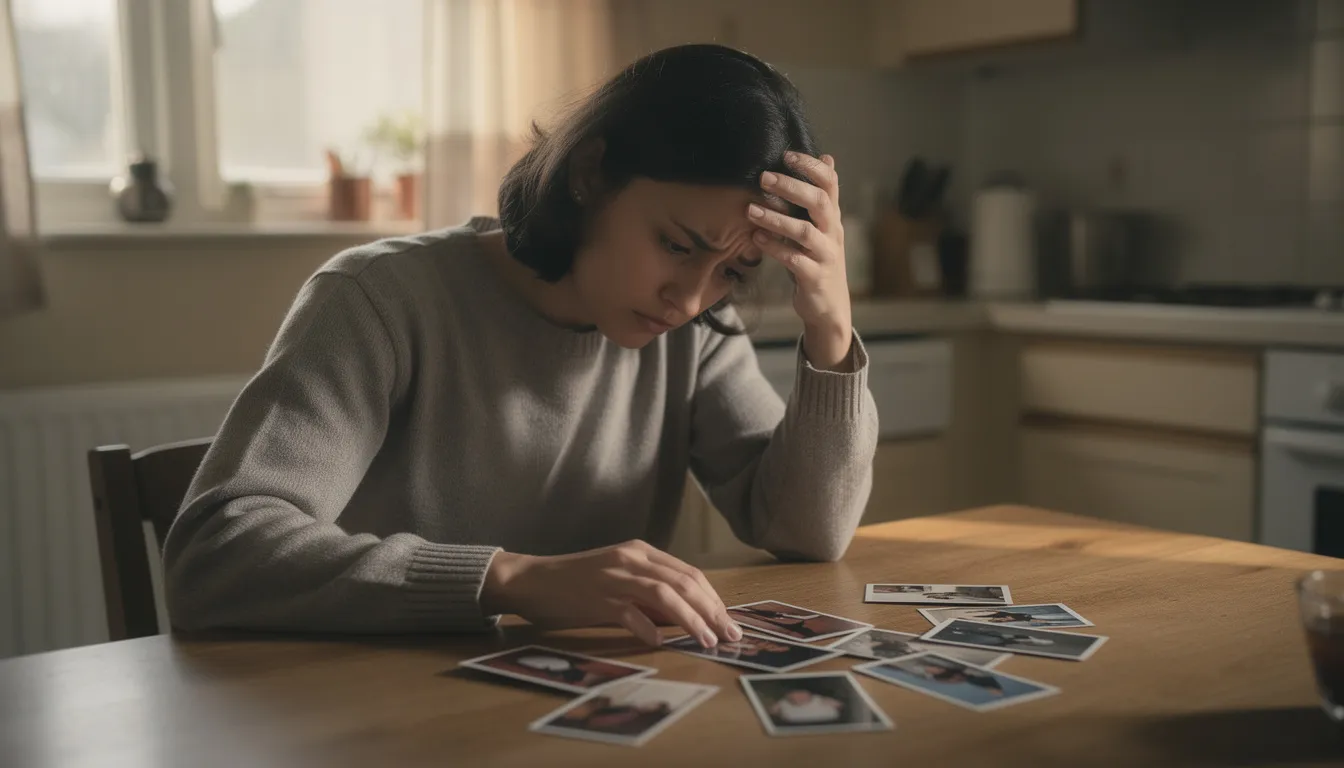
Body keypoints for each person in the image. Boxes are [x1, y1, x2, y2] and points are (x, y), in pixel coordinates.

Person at [160, 44, 878, 650]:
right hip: (371, 713)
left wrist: (831, 332)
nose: (689, 298)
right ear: (589, 174)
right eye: (675, 245)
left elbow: (806, 532)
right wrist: (510, 579)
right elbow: (214, 557)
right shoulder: (379, 298)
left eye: (732, 271)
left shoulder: (692, 332)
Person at [769, 689, 844, 724]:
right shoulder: (783, 703)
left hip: (828, 722)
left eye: (802, 694)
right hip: (795, 725)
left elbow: (839, 705)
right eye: (796, 696)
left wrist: (835, 704)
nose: (799, 697)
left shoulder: (818, 699)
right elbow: (772, 711)